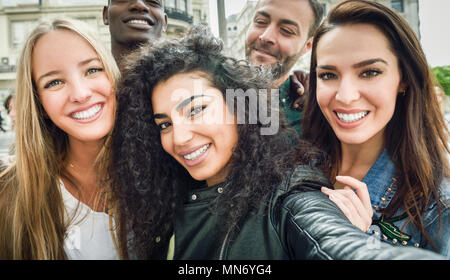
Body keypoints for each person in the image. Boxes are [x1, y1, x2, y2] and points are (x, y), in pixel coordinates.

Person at [110, 25, 443, 260]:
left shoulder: (288, 194)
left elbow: (333, 241)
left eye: (197, 109)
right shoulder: (163, 198)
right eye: (164, 124)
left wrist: (359, 237)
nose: (179, 136)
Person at [302, 0, 449, 257]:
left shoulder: (439, 208)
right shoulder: (290, 161)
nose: (345, 96)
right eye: (328, 75)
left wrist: (356, 244)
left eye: (369, 72)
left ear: (402, 78)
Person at [0, 18, 121, 259]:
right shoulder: (10, 194)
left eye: (93, 70)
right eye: (54, 82)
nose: (80, 94)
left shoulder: (167, 170)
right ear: (40, 104)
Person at [244, 0, 322, 136]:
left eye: (286, 31)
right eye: (260, 22)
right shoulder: (209, 94)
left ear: (307, 46)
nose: (266, 37)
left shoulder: (317, 118)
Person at [103, 0, 167, 69]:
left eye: (153, 1)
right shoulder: (85, 82)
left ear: (165, 22)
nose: (139, 5)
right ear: (105, 15)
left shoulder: (184, 80)